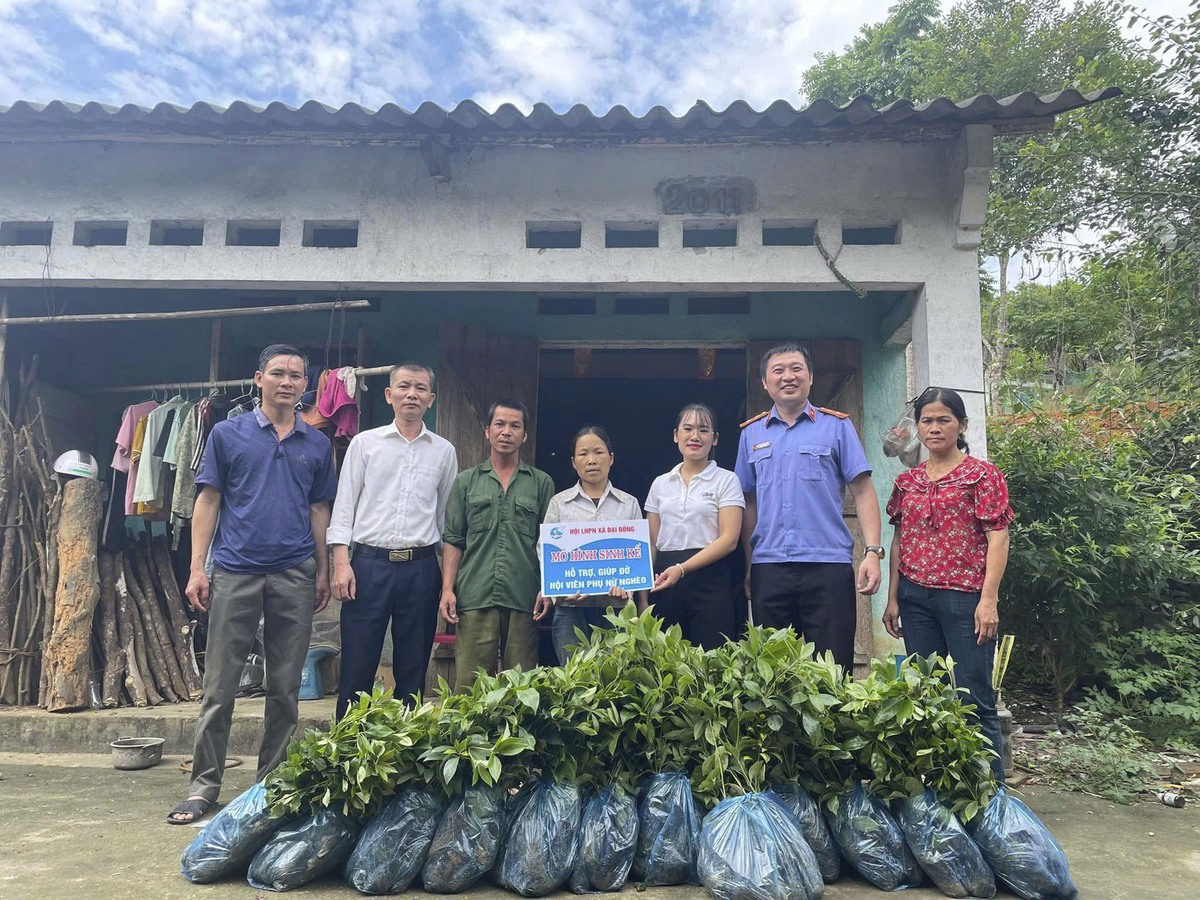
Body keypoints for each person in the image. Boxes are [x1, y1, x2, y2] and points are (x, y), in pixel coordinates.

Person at [168, 344, 336, 824]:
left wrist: (322, 570)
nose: (287, 382)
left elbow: (319, 511)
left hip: (294, 572)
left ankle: (272, 784)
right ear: (258, 378)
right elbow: (208, 501)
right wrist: (199, 567)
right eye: (278, 373)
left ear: (306, 385)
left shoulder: (317, 444)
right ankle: (204, 787)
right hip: (237, 569)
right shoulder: (227, 433)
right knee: (220, 684)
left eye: (297, 376)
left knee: (285, 686)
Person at [882, 387, 1013, 782]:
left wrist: (988, 599)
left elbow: (998, 537)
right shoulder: (908, 481)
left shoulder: (982, 475)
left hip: (964, 599)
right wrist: (892, 599)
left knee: (974, 696)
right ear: (917, 426)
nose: (934, 428)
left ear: (962, 425)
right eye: (927, 420)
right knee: (928, 695)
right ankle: (941, 786)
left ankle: (990, 796)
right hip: (915, 597)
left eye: (944, 420)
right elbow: (900, 540)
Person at [735, 342, 883, 669]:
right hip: (769, 567)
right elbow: (748, 503)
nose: (788, 376)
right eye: (778, 370)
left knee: (832, 669)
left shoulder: (837, 427)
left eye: (796, 368)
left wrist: (872, 552)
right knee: (771, 675)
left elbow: (863, 491)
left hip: (827, 566)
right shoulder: (751, 434)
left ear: (810, 377)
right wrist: (749, 565)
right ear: (765, 382)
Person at [327, 362, 457, 715]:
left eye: (419, 388)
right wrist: (341, 564)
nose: (411, 394)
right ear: (389, 395)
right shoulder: (365, 444)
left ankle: (406, 752)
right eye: (403, 386)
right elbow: (343, 508)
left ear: (431, 398)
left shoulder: (443, 451)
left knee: (413, 668)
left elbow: (445, 520)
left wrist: (447, 584)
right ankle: (349, 752)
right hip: (368, 566)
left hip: (420, 569)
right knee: (357, 663)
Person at [439, 400, 554, 691]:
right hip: (475, 594)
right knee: (469, 687)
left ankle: (519, 738)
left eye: (515, 426)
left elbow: (552, 542)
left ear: (525, 435)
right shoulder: (466, 482)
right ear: (486, 431)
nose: (507, 432)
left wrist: (548, 588)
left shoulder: (541, 483)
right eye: (500, 425)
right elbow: (454, 539)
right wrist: (448, 589)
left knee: (523, 686)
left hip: (525, 596)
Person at [532, 425, 641, 664]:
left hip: (616, 608)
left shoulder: (628, 504)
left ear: (611, 458)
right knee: (575, 680)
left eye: (599, 452)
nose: (591, 460)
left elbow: (636, 554)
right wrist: (559, 589)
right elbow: (545, 551)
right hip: (570, 608)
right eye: (583, 454)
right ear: (574, 462)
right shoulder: (559, 504)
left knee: (615, 681)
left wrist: (627, 588)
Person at [645, 404, 744, 649]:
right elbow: (652, 542)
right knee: (665, 665)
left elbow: (729, 539)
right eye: (687, 429)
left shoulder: (727, 480)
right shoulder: (660, 484)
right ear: (676, 435)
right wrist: (643, 594)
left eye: (703, 430)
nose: (695, 436)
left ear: (715, 439)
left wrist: (682, 568)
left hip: (711, 579)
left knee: (712, 663)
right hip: (664, 581)